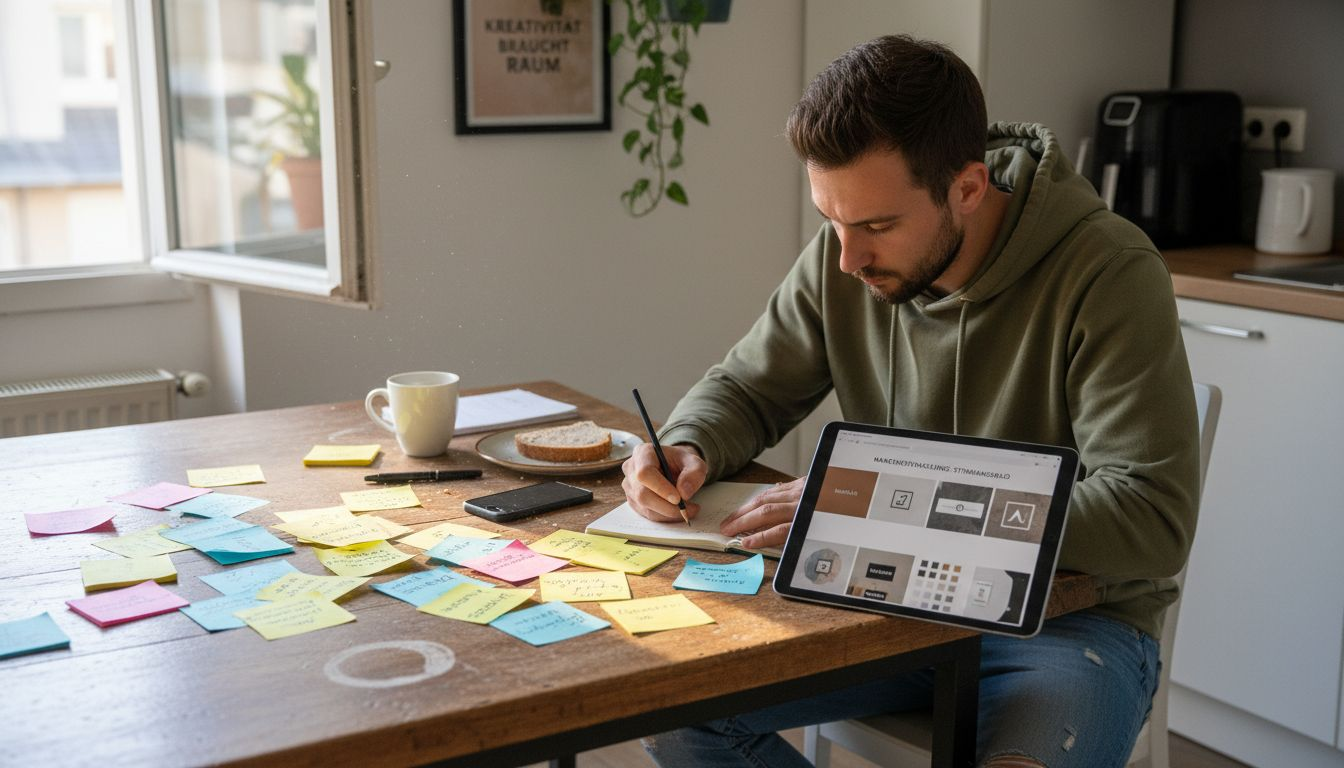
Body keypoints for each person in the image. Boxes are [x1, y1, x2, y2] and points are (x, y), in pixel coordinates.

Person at [620, 34, 1200, 768]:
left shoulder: (1108, 271)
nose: (847, 258)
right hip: (881, 596)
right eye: (831, 220)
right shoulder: (846, 256)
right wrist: (688, 442)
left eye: (877, 226)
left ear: (968, 188)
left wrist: (887, 504)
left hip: (1064, 621)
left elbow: (1152, 516)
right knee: (672, 709)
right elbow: (748, 386)